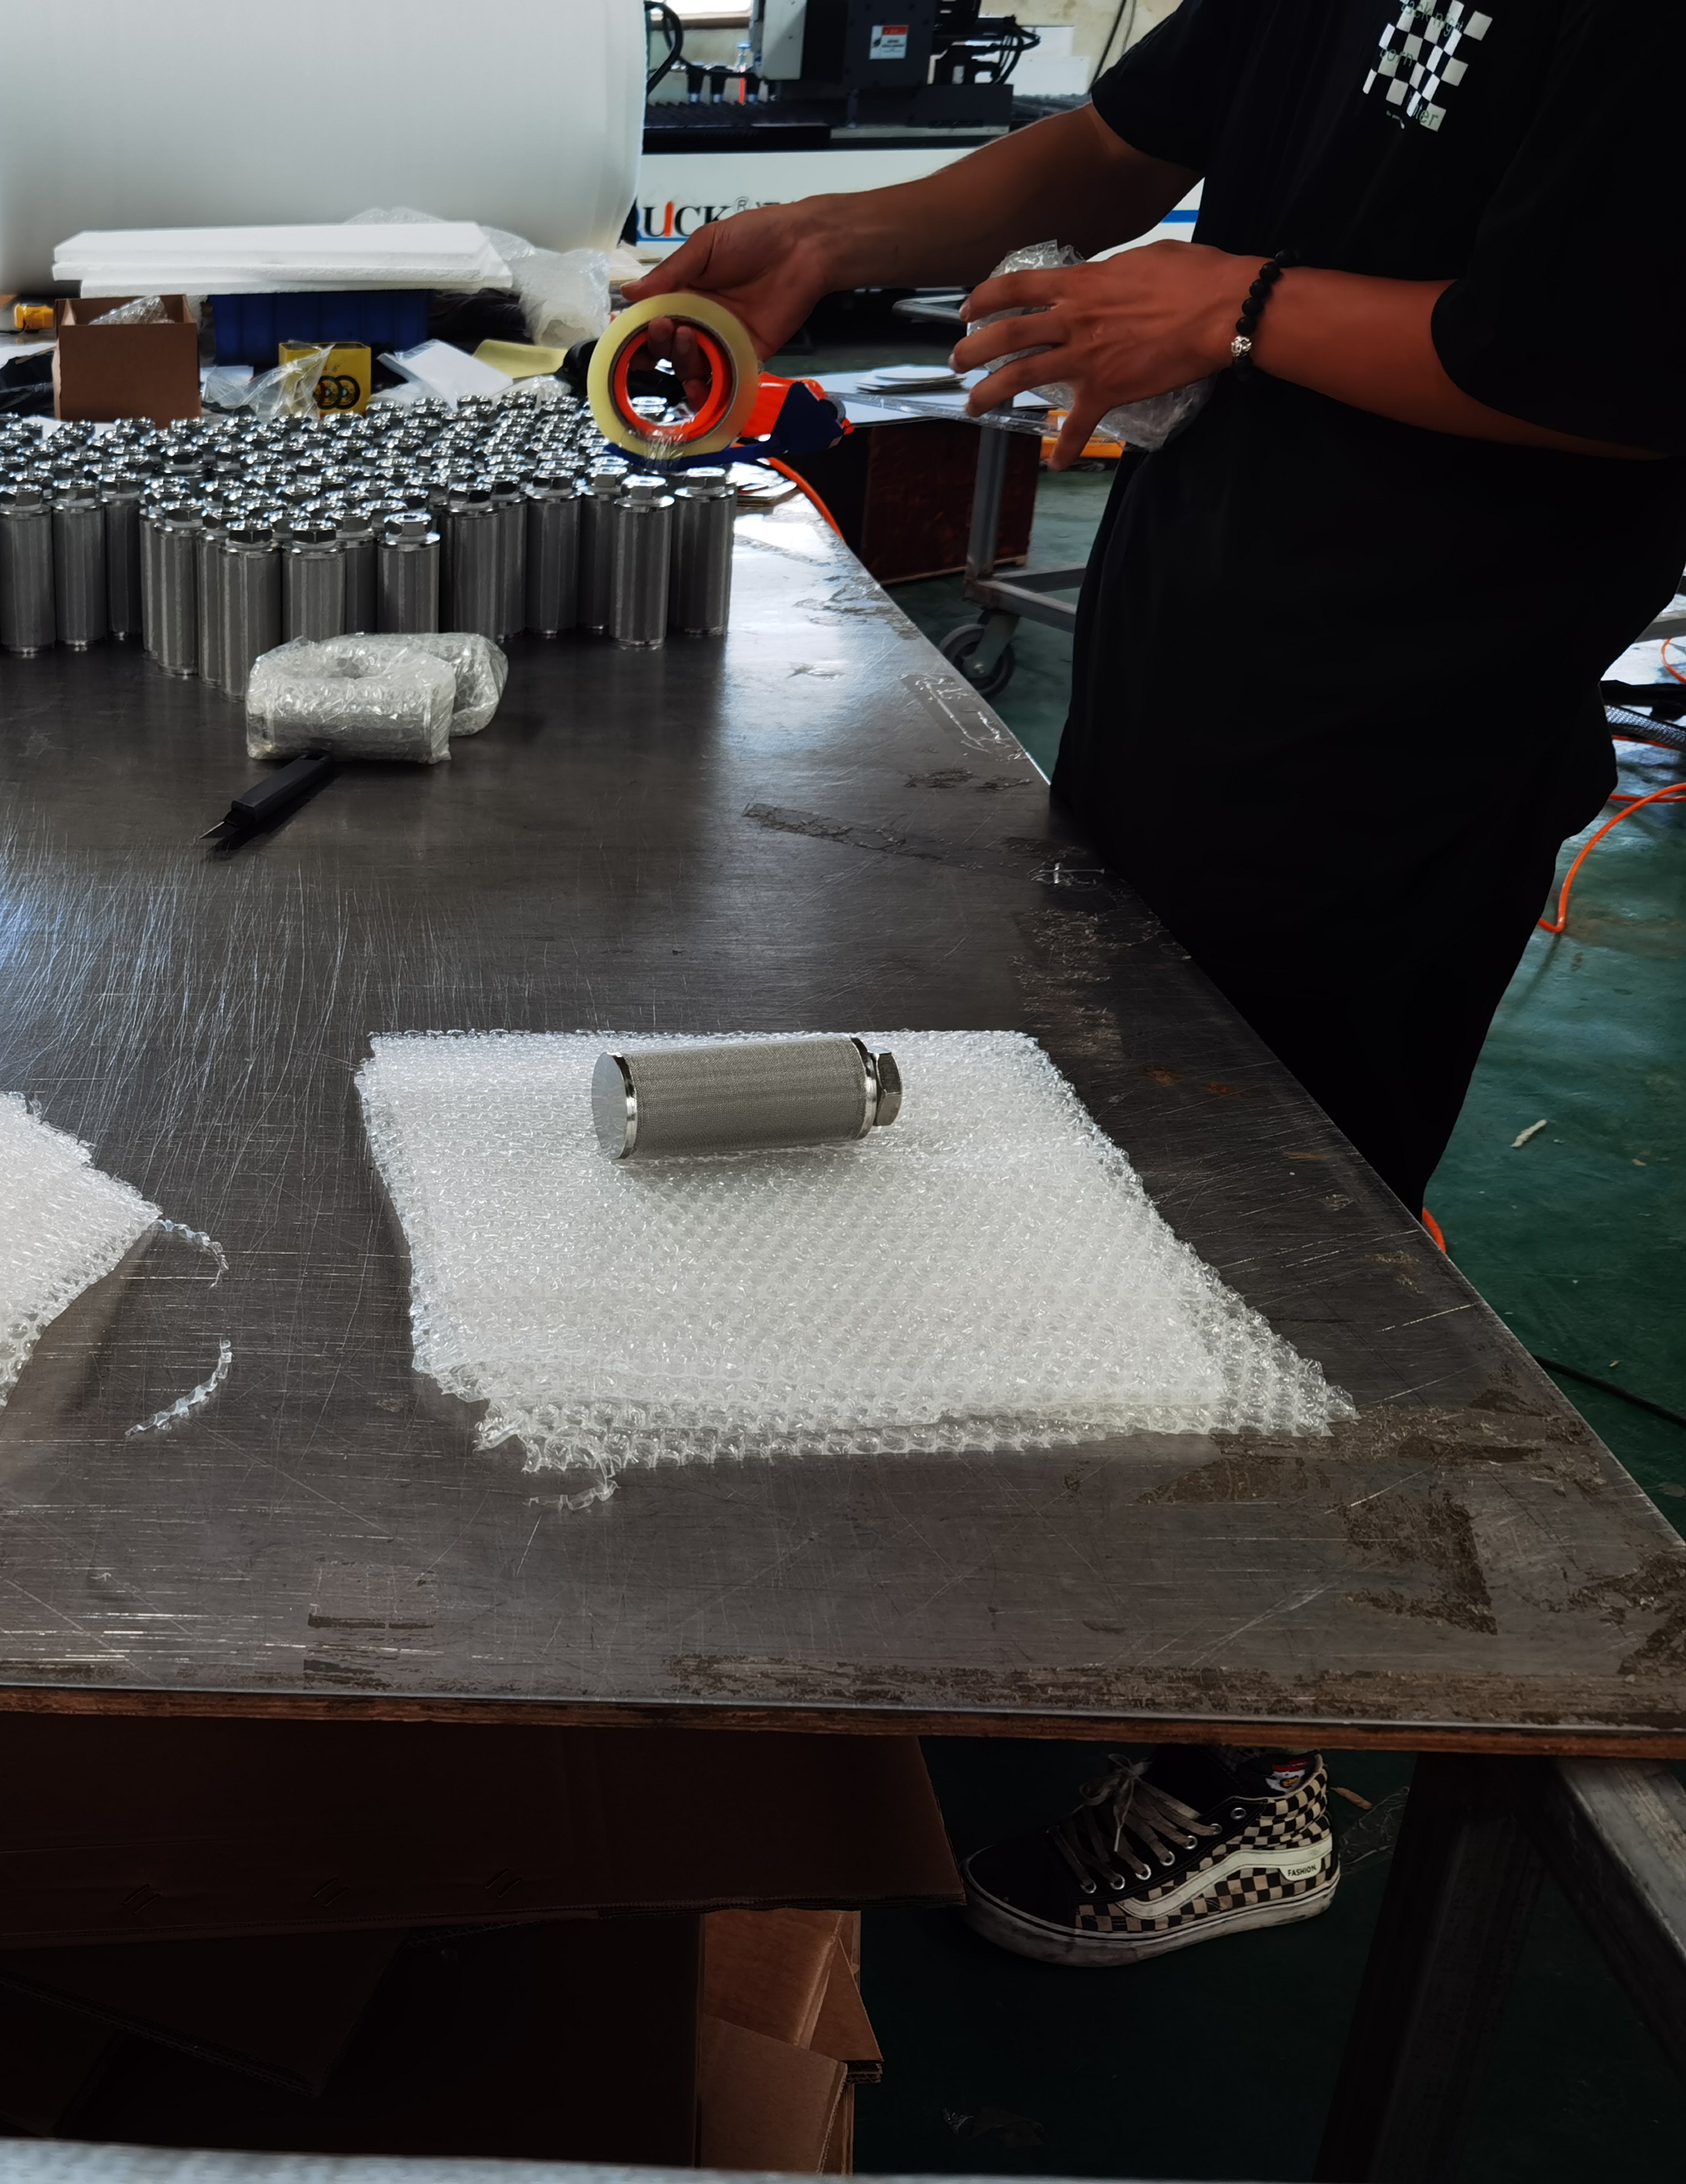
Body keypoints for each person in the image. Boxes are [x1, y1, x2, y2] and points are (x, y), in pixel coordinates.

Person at [628, 0, 1682, 1964]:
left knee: (1293, 1227)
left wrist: (1241, 306)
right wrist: (836, 238)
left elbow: (1617, 363)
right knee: (1120, 1151)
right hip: (1205, 638)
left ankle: (1251, 1767)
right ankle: (1104, 1572)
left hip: (1407, 722)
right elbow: (1117, 139)